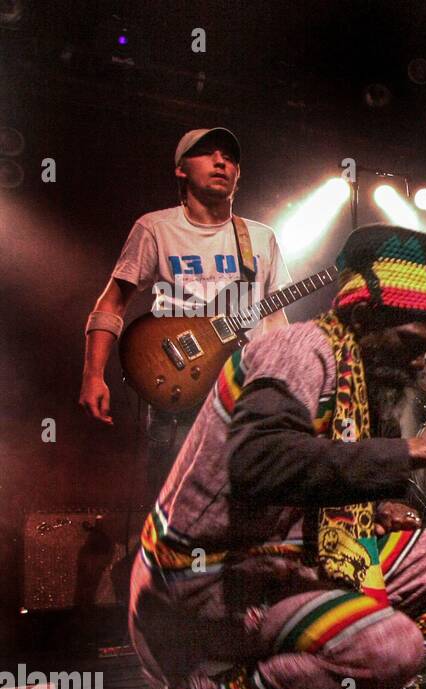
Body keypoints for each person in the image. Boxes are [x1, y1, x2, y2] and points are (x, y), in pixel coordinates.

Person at [126, 225, 426, 689]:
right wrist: (419, 451)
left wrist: (381, 500)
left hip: (272, 569)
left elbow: (325, 474)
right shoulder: (299, 349)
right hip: (202, 583)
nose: (420, 358)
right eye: (408, 340)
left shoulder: (355, 375)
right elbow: (261, 462)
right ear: (363, 317)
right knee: (388, 649)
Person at [79, 127, 292, 494]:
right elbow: (111, 303)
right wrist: (93, 375)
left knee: (248, 497)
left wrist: (285, 380)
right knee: (174, 502)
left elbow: (274, 318)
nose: (221, 161)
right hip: (178, 386)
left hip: (243, 392)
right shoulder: (155, 228)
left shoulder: (260, 237)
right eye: (208, 153)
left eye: (229, 157)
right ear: (181, 169)